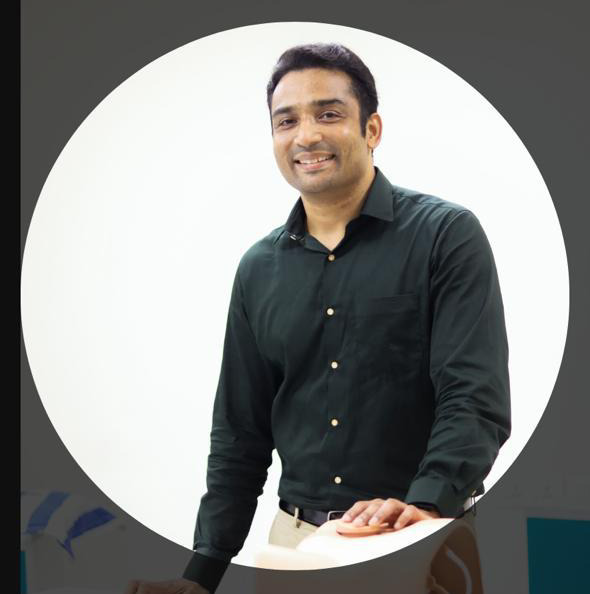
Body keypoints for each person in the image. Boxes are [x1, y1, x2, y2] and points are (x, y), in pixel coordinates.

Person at [125, 43, 511, 594]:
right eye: (287, 121)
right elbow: (239, 434)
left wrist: (427, 505)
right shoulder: (258, 268)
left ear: (371, 129)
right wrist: (202, 577)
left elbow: (473, 397)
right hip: (294, 544)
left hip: (414, 535)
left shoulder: (445, 237)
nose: (306, 135)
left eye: (328, 114)